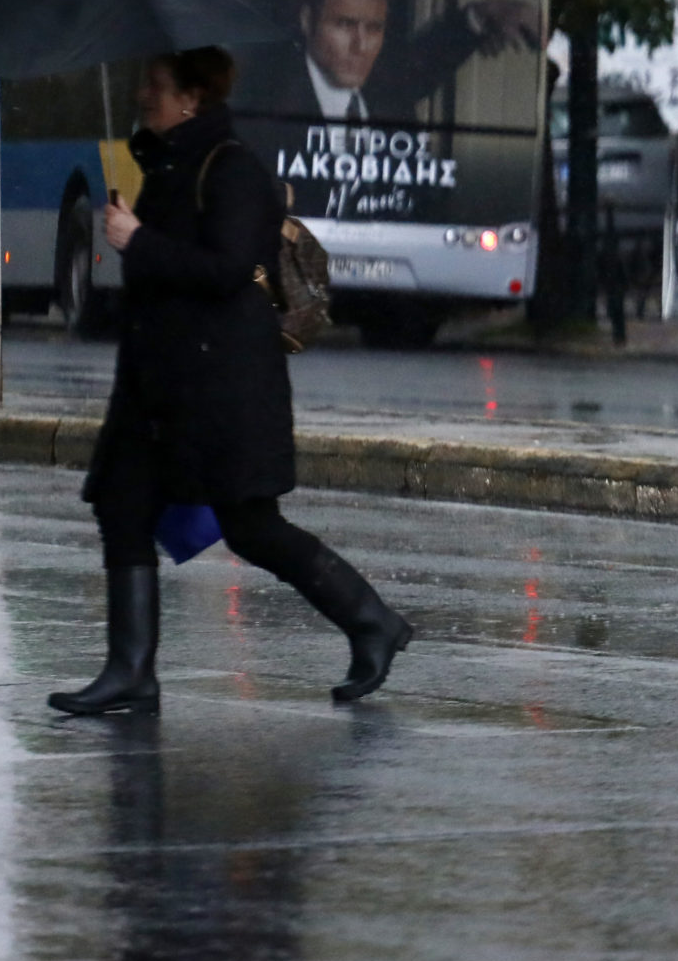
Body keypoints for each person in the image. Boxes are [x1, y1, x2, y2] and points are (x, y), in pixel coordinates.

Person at [48, 47, 413, 715]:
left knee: (250, 524)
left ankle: (372, 620)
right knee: (122, 502)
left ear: (192, 97)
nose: (141, 94)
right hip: (160, 387)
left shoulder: (233, 167)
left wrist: (137, 240)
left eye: (154, 83)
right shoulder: (165, 165)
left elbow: (225, 268)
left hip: (221, 389)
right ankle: (131, 669)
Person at [231, 0, 537, 129]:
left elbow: (426, 59)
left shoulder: (385, 87)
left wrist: (483, 13)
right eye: (344, 25)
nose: (361, 45)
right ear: (308, 21)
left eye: (374, 28)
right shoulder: (265, 96)